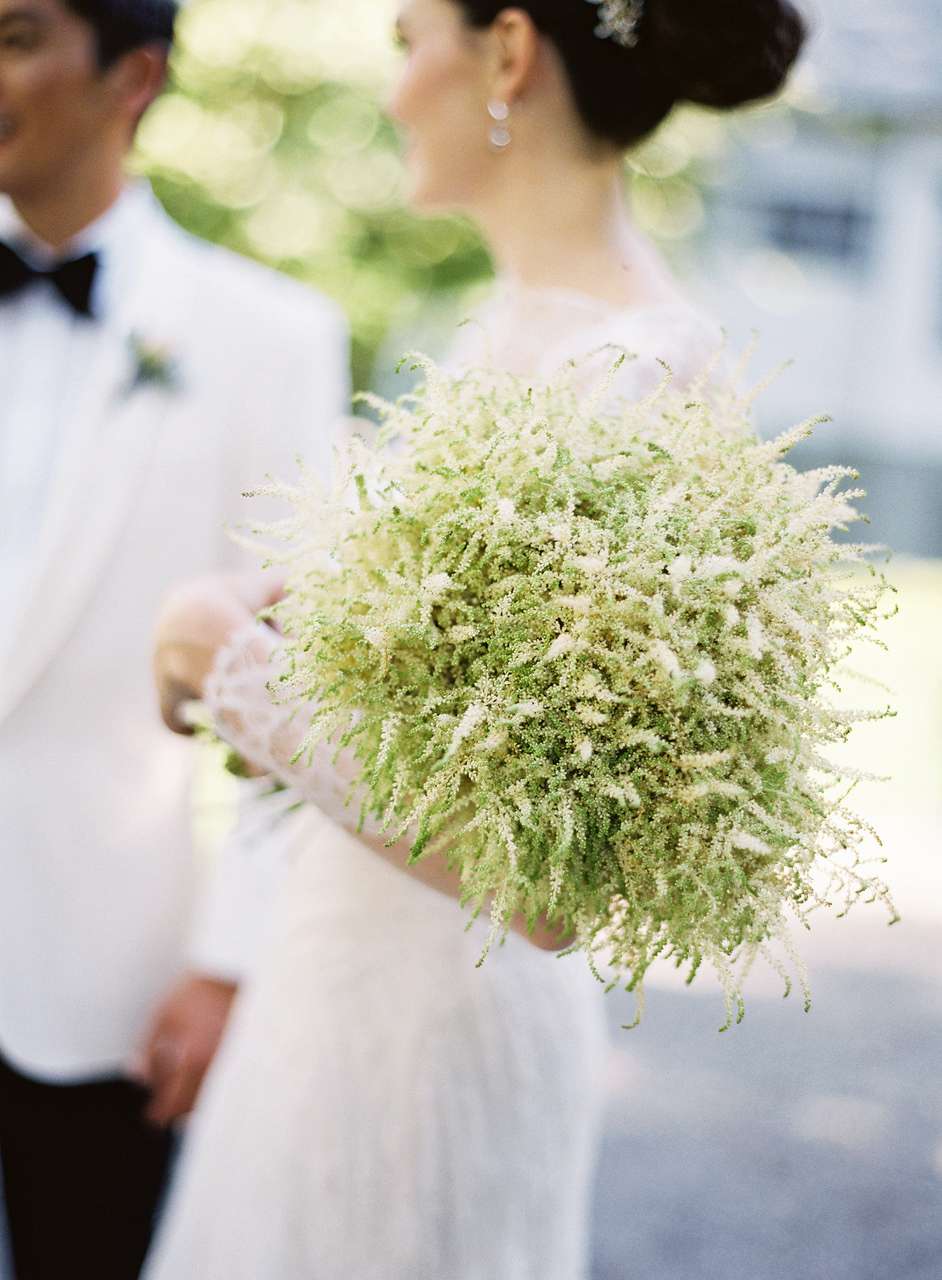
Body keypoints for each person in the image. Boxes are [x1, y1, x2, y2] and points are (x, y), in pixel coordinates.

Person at [144, 1, 806, 1277]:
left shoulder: (637, 371)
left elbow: (546, 886)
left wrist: (219, 656)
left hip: (432, 1040)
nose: (393, 91)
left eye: (408, 43)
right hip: (330, 984)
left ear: (506, 53)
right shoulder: (499, 336)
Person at [0, 0, 348, 1275]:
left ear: (130, 76)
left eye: (14, 36)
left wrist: (229, 961)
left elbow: (307, 676)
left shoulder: (269, 339)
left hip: (103, 979)